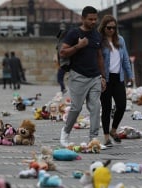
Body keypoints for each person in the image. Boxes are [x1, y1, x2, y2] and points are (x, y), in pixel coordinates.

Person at [59, 6, 106, 147]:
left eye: (95, 19)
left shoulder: (97, 35)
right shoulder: (74, 33)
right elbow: (63, 52)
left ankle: (94, 139)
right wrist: (79, 46)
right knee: (76, 108)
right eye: (90, 19)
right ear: (83, 18)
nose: (93, 22)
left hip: (95, 77)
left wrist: (103, 76)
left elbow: (99, 57)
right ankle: (65, 132)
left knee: (96, 106)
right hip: (78, 76)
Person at [98, 15, 134, 147]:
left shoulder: (121, 40)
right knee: (106, 108)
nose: (111, 30)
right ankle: (106, 136)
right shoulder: (100, 41)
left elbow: (125, 59)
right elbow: (98, 60)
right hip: (105, 79)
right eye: (109, 27)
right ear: (104, 27)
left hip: (118, 78)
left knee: (122, 105)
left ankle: (114, 130)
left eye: (114, 28)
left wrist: (129, 74)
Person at [54, 29, 69, 94]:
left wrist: (59, 64)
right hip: (64, 63)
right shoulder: (65, 41)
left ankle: (63, 89)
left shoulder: (61, 42)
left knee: (59, 78)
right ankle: (63, 89)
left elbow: (61, 54)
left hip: (63, 64)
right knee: (60, 78)